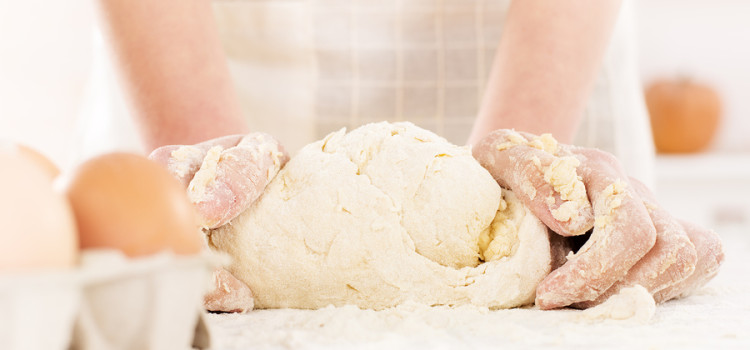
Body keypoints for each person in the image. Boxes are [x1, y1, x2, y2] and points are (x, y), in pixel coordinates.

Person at [91, 0, 723, 310]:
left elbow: (540, 198)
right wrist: (206, 195)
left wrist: (530, 179)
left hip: (544, 75)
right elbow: (201, 198)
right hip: (201, 78)